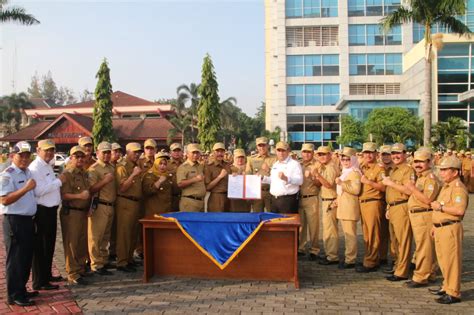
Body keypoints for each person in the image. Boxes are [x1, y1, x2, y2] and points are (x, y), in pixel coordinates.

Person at [0, 141, 37, 306]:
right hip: (14, 220)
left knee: (25, 257)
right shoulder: (7, 174)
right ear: (12, 156)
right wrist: (25, 189)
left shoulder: (27, 171)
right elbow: (5, 200)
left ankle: (21, 289)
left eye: (27, 155)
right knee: (15, 259)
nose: (24, 158)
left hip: (27, 220)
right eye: (20, 155)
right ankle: (14, 295)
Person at [429, 156, 468, 304]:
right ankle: (446, 287)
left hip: (450, 227)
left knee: (451, 261)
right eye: (442, 170)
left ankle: (453, 292)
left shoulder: (458, 188)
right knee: (444, 261)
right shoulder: (447, 186)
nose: (442, 173)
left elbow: (459, 210)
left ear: (455, 172)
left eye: (445, 170)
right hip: (441, 228)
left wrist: (441, 208)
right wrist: (435, 225)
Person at [29, 139, 65, 291]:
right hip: (41, 211)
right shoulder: (35, 167)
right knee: (41, 247)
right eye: (46, 150)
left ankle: (47, 274)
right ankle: (40, 281)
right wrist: (59, 182)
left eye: (52, 150)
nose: (50, 153)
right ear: (38, 150)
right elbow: (38, 191)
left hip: (50, 211)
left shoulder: (47, 165)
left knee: (49, 245)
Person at [404, 150, 440, 288]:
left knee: (423, 247)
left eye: (421, 162)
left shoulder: (429, 178)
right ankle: (430, 273)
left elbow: (428, 200)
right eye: (416, 161)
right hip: (417, 214)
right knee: (426, 246)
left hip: (424, 214)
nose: (418, 164)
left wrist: (412, 188)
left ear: (429, 162)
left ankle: (420, 276)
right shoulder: (421, 177)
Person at [382, 143, 415, 281]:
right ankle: (398, 265)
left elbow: (408, 190)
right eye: (393, 153)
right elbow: (391, 192)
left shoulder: (407, 170)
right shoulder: (394, 170)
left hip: (402, 206)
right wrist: (389, 207)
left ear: (405, 154)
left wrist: (390, 183)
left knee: (403, 240)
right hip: (393, 206)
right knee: (394, 241)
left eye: (398, 153)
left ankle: (402, 271)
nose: (395, 156)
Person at [60, 146, 91, 286]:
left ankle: (80, 268)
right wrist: (79, 196)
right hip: (71, 211)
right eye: (76, 156)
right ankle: (72, 272)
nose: (80, 159)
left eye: (82, 156)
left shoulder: (83, 173)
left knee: (81, 241)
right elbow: (64, 195)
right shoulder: (68, 174)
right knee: (71, 242)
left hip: (82, 211)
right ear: (71, 158)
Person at [87, 142, 117, 276]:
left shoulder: (111, 167)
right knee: (96, 236)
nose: (106, 155)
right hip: (100, 205)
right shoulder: (94, 169)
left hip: (110, 205)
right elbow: (91, 189)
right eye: (103, 152)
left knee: (105, 236)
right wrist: (104, 181)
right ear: (97, 153)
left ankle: (103, 260)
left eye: (108, 152)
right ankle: (96, 264)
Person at [356, 142, 385, 273]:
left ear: (376, 154)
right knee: (367, 234)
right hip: (363, 202)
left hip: (374, 201)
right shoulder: (363, 167)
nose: (368, 155)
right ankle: (370, 257)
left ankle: (371, 261)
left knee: (374, 233)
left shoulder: (379, 169)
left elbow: (384, 187)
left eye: (370, 152)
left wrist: (368, 182)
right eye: (365, 152)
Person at [115, 142, 143, 272]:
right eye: (134, 152)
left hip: (136, 203)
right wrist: (133, 175)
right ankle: (122, 262)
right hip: (125, 202)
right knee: (124, 233)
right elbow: (122, 188)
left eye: (138, 152)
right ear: (128, 152)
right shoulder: (123, 167)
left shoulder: (137, 165)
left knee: (133, 233)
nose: (137, 154)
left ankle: (129, 258)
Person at [335, 147, 361, 269]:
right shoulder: (346, 171)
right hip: (344, 207)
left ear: (354, 159)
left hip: (350, 208)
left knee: (350, 235)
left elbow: (356, 190)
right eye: (343, 159)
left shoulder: (355, 172)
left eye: (348, 159)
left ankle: (350, 259)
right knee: (347, 233)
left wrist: (342, 183)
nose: (345, 161)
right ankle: (348, 257)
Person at [313, 146, 339, 266]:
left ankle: (332, 256)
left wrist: (317, 175)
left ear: (330, 155)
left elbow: (328, 184)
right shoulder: (325, 166)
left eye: (324, 154)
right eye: (319, 155)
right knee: (328, 229)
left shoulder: (331, 167)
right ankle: (329, 253)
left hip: (330, 200)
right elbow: (319, 184)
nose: (322, 157)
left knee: (330, 230)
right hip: (326, 199)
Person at [262, 141, 302, 214]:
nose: (281, 153)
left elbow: (300, 180)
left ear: (288, 151)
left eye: (283, 150)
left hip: (287, 201)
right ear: (275, 151)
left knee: (287, 224)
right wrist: (263, 178)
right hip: (274, 200)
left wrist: (286, 178)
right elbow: (273, 180)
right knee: (275, 224)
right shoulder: (276, 164)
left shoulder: (294, 164)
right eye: (279, 150)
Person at [298, 143, 321, 260]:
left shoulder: (317, 165)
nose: (306, 154)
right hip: (299, 198)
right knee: (301, 225)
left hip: (311, 197)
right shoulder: (298, 164)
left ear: (313, 153)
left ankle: (314, 249)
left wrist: (312, 177)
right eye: (304, 152)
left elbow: (320, 184)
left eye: (309, 152)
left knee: (313, 226)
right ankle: (301, 248)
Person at [378, 144, 397, 273]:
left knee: (395, 233)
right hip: (380, 202)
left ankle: (395, 259)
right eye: (383, 154)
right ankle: (382, 256)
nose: (386, 157)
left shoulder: (396, 169)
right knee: (382, 231)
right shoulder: (378, 168)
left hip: (394, 203)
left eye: (388, 154)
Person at [245, 137, 276, 212]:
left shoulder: (275, 158)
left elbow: (277, 175)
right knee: (257, 216)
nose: (262, 147)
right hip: (257, 192)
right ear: (257, 147)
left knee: (271, 217)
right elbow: (248, 176)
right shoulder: (252, 159)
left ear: (268, 146)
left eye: (264, 145)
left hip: (271, 192)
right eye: (260, 145)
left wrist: (269, 170)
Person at [176, 143, 206, 212]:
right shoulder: (183, 167)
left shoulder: (200, 166)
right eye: (193, 153)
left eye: (197, 152)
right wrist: (195, 179)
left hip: (201, 202)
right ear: (187, 154)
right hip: (189, 202)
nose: (195, 155)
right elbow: (180, 183)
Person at [205, 142, 231, 212]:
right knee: (216, 220)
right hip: (216, 198)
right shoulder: (209, 167)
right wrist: (220, 177)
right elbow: (207, 187)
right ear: (213, 152)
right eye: (217, 151)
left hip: (228, 197)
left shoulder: (228, 165)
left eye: (222, 151)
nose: (220, 153)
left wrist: (236, 174)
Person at [168, 143, 184, 212]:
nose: (176, 153)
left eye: (178, 150)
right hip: (170, 198)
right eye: (174, 151)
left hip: (183, 197)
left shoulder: (186, 164)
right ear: (170, 153)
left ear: (182, 152)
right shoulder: (166, 164)